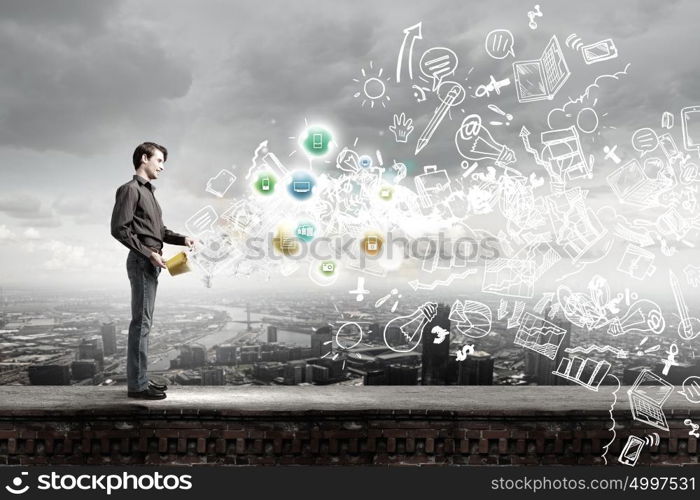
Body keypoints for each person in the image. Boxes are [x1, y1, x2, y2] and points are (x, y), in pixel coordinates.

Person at [111, 142, 194, 400]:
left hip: (151, 261)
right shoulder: (129, 190)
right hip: (142, 261)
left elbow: (159, 232)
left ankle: (141, 380)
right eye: (159, 161)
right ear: (144, 158)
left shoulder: (150, 195)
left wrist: (183, 239)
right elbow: (119, 229)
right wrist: (148, 253)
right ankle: (137, 386)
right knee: (141, 324)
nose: (162, 167)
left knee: (145, 323)